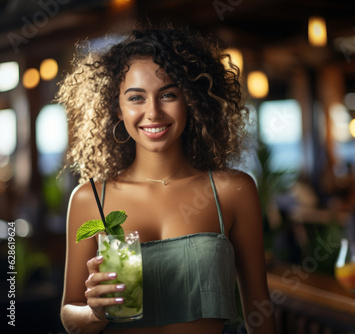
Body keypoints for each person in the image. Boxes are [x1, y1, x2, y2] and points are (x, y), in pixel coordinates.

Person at [58, 25, 277, 334]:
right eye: (136, 98)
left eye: (168, 95)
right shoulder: (90, 198)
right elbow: (70, 315)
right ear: (117, 108)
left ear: (192, 100)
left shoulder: (232, 190)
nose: (153, 112)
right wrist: (94, 314)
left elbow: (259, 309)